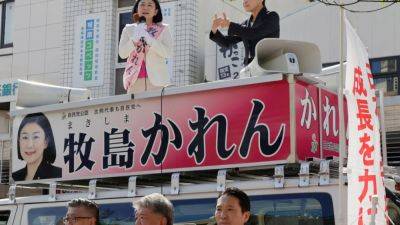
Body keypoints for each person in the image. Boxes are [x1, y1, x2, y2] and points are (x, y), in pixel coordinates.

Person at [119, 0, 173, 94]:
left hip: (157, 81)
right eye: (142, 4)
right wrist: (133, 41)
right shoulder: (128, 29)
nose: (145, 7)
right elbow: (122, 54)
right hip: (134, 81)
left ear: (156, 11)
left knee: (157, 109)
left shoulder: (163, 28)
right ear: (137, 9)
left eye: (150, 5)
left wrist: (151, 40)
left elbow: (168, 53)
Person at [210, 0, 279, 66]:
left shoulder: (271, 16)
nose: (245, 1)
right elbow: (226, 42)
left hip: (268, 67)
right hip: (249, 69)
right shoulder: (246, 24)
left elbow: (254, 33)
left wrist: (230, 25)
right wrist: (214, 29)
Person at [12, 113, 61, 181]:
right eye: (25, 137)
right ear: (19, 140)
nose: (29, 145)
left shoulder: (58, 175)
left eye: (35, 137)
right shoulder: (14, 177)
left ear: (46, 142)